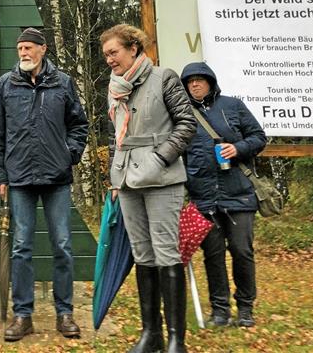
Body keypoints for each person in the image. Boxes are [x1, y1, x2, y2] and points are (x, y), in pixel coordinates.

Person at [0, 27, 89, 342]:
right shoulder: (6, 85)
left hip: (56, 178)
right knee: (21, 247)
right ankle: (23, 315)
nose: (23, 53)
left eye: (29, 47)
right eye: (20, 49)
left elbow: (79, 124)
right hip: (19, 178)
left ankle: (65, 312)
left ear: (43, 49)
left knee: (62, 245)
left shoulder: (63, 83)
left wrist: (68, 154)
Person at [101, 24, 196, 353]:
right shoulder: (114, 89)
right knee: (143, 256)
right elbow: (117, 136)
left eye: (114, 52)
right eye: (106, 55)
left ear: (133, 48)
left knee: (167, 254)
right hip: (126, 181)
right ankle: (150, 333)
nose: (109, 60)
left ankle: (175, 340)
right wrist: (114, 178)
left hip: (162, 178)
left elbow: (187, 123)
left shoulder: (164, 77)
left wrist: (161, 158)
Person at [180, 62, 267, 329]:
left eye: (199, 80)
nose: (195, 84)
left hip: (238, 195)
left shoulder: (233, 106)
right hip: (203, 198)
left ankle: (245, 308)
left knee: (242, 251)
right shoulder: (182, 114)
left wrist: (238, 148)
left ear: (210, 81)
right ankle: (220, 310)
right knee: (213, 255)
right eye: (190, 81)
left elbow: (259, 137)